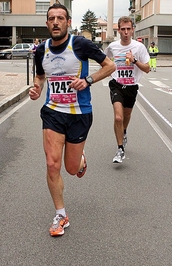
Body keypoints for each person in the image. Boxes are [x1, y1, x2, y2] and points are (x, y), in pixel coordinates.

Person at [28, 3, 115, 237]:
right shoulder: (41, 50)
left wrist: (88, 79)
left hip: (79, 113)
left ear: (68, 22)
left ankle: (80, 161)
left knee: (71, 168)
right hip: (53, 112)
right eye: (51, 18)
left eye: (60, 18)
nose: (55, 22)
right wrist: (37, 89)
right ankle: (60, 214)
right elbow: (40, 76)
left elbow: (110, 66)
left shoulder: (80, 44)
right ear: (47, 23)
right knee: (52, 164)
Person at [104, 16, 150, 163]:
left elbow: (147, 68)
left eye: (128, 29)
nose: (125, 32)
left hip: (131, 86)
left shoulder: (139, 47)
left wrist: (135, 60)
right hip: (117, 84)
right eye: (122, 29)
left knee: (126, 114)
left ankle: (123, 132)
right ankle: (120, 150)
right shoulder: (112, 46)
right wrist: (111, 70)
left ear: (132, 30)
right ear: (118, 30)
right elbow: (104, 60)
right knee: (118, 117)